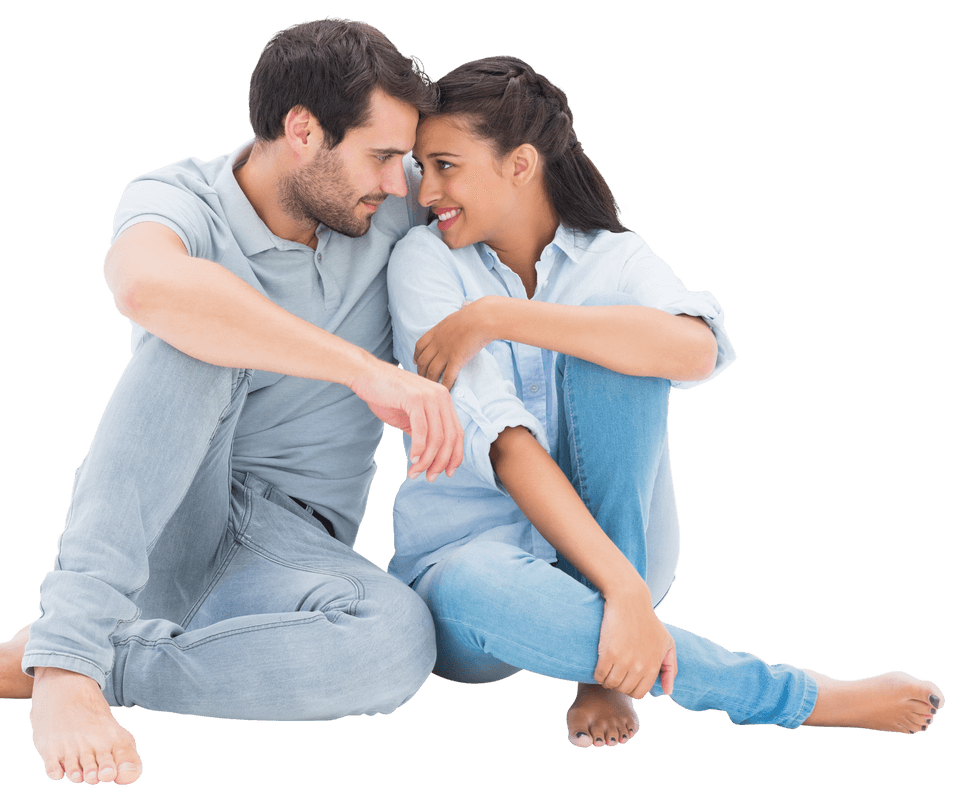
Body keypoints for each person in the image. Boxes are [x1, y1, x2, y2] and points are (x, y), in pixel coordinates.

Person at [0, 18, 464, 785]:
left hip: (289, 554)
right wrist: (364, 370)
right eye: (383, 156)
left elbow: (522, 218)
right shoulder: (179, 196)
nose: (401, 182)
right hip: (173, 516)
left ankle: (66, 663)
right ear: (302, 130)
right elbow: (142, 283)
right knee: (198, 328)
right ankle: (68, 655)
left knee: (400, 642)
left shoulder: (390, 207)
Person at [386, 55, 944, 748]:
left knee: (624, 348)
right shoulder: (423, 260)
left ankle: (610, 658)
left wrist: (500, 316)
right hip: (468, 571)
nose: (424, 188)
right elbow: (503, 444)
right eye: (421, 167)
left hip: (620, 542)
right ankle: (797, 696)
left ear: (521, 164)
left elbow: (695, 349)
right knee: (484, 584)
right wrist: (623, 593)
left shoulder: (610, 257)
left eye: (444, 165)